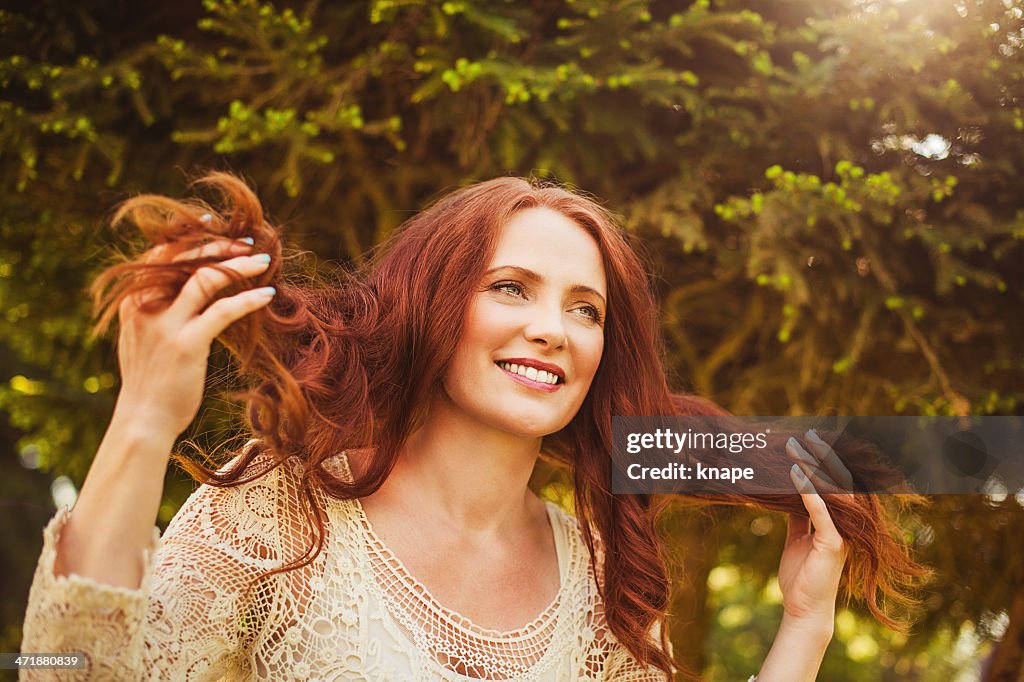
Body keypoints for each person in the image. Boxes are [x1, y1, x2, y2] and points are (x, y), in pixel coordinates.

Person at [20, 174, 924, 680]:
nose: (553, 328)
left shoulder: (603, 582)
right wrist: (143, 420)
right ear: (432, 306)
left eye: (587, 310)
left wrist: (804, 626)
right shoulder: (284, 510)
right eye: (510, 288)